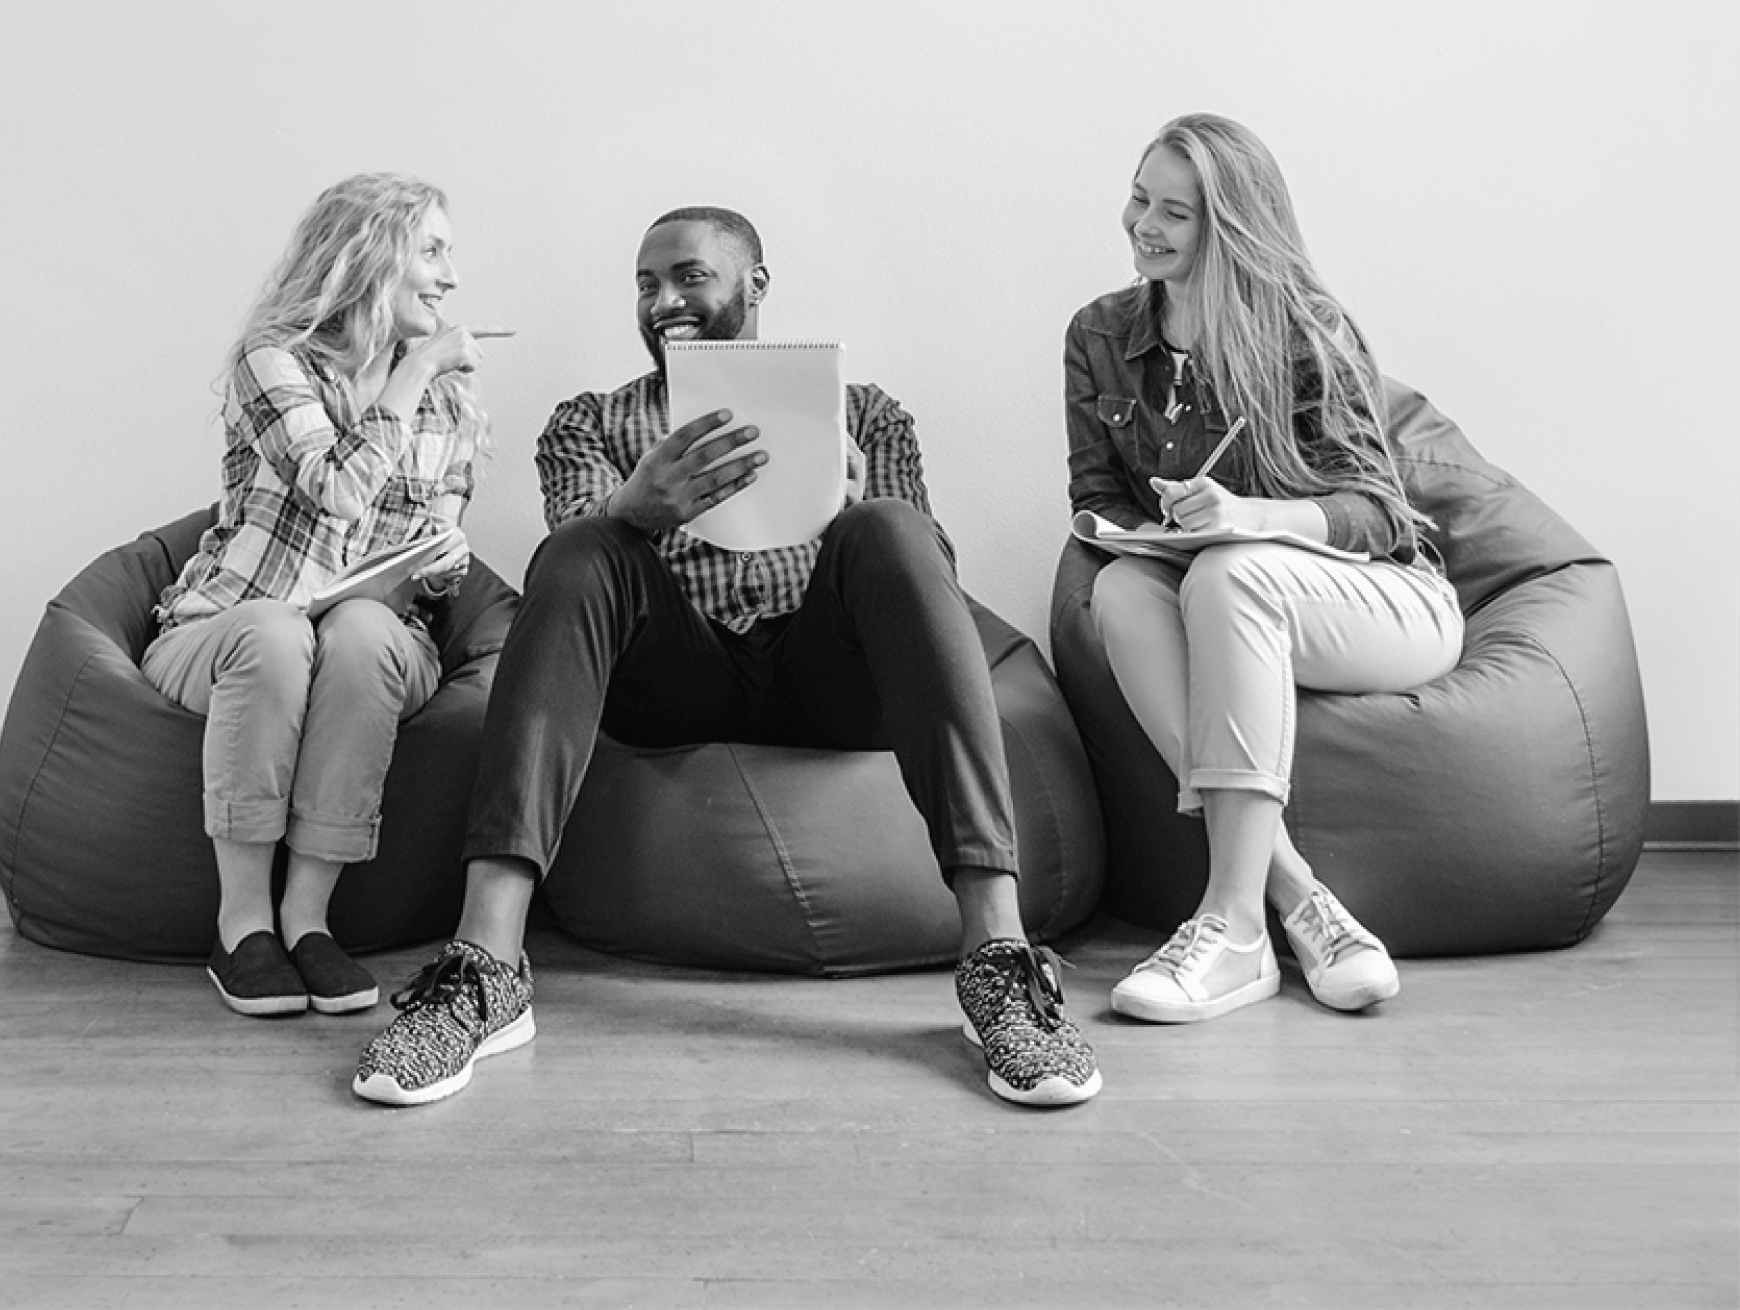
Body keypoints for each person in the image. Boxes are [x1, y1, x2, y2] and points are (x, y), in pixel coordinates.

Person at [352, 207, 1102, 1109]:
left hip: (830, 680)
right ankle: (485, 965)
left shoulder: (866, 413)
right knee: (584, 547)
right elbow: (570, 587)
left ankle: (996, 962)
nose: (663, 298)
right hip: (670, 682)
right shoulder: (589, 420)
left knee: (894, 529)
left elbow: (927, 581)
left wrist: (848, 509)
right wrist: (635, 505)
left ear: (754, 284)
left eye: (688, 276)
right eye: (645, 282)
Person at [1068, 113, 1461, 1022]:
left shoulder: (1305, 331)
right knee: (1122, 590)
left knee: (1232, 572)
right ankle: (1301, 898)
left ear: (1231, 227)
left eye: (1176, 212)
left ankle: (1234, 925)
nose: (1144, 225)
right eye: (1138, 197)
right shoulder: (1097, 335)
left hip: (1387, 604)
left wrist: (1250, 520)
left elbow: (1379, 514)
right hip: (1218, 590)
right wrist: (1149, 532)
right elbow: (1096, 497)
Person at [145, 173, 487, 1019]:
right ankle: (243, 922)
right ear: (373, 257)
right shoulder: (275, 359)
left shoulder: (453, 404)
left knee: (364, 630)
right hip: (225, 626)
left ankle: (308, 919)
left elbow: (427, 551)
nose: (449, 278)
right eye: (433, 251)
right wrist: (409, 375)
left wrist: (443, 556)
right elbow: (335, 486)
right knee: (276, 631)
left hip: (370, 643)